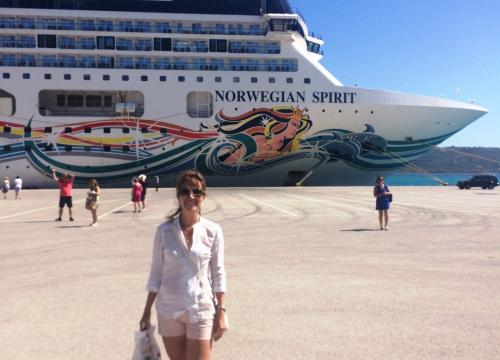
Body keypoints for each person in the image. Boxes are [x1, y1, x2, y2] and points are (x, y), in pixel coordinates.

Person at [140, 170, 227, 360]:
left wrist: (221, 311)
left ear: (203, 197)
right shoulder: (164, 231)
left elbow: (218, 274)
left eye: (196, 192)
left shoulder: (213, 231)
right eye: (185, 191)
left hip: (201, 308)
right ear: (178, 196)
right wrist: (146, 312)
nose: (191, 196)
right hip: (168, 310)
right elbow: (156, 274)